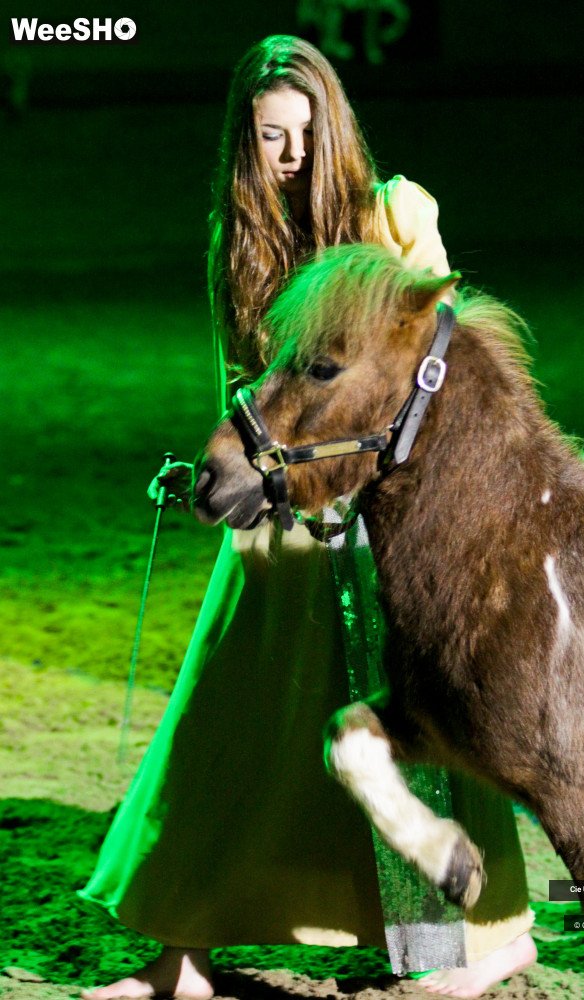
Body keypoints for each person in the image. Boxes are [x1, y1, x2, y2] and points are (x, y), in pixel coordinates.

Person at [80, 35, 537, 1000]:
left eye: (303, 131)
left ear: (333, 127)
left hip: (387, 507)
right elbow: (241, 397)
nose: (288, 154)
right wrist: (212, 475)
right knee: (221, 709)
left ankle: (489, 939)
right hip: (283, 509)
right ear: (244, 144)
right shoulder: (234, 243)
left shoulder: (393, 214)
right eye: (267, 135)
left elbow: (439, 372)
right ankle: (182, 952)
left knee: (422, 707)